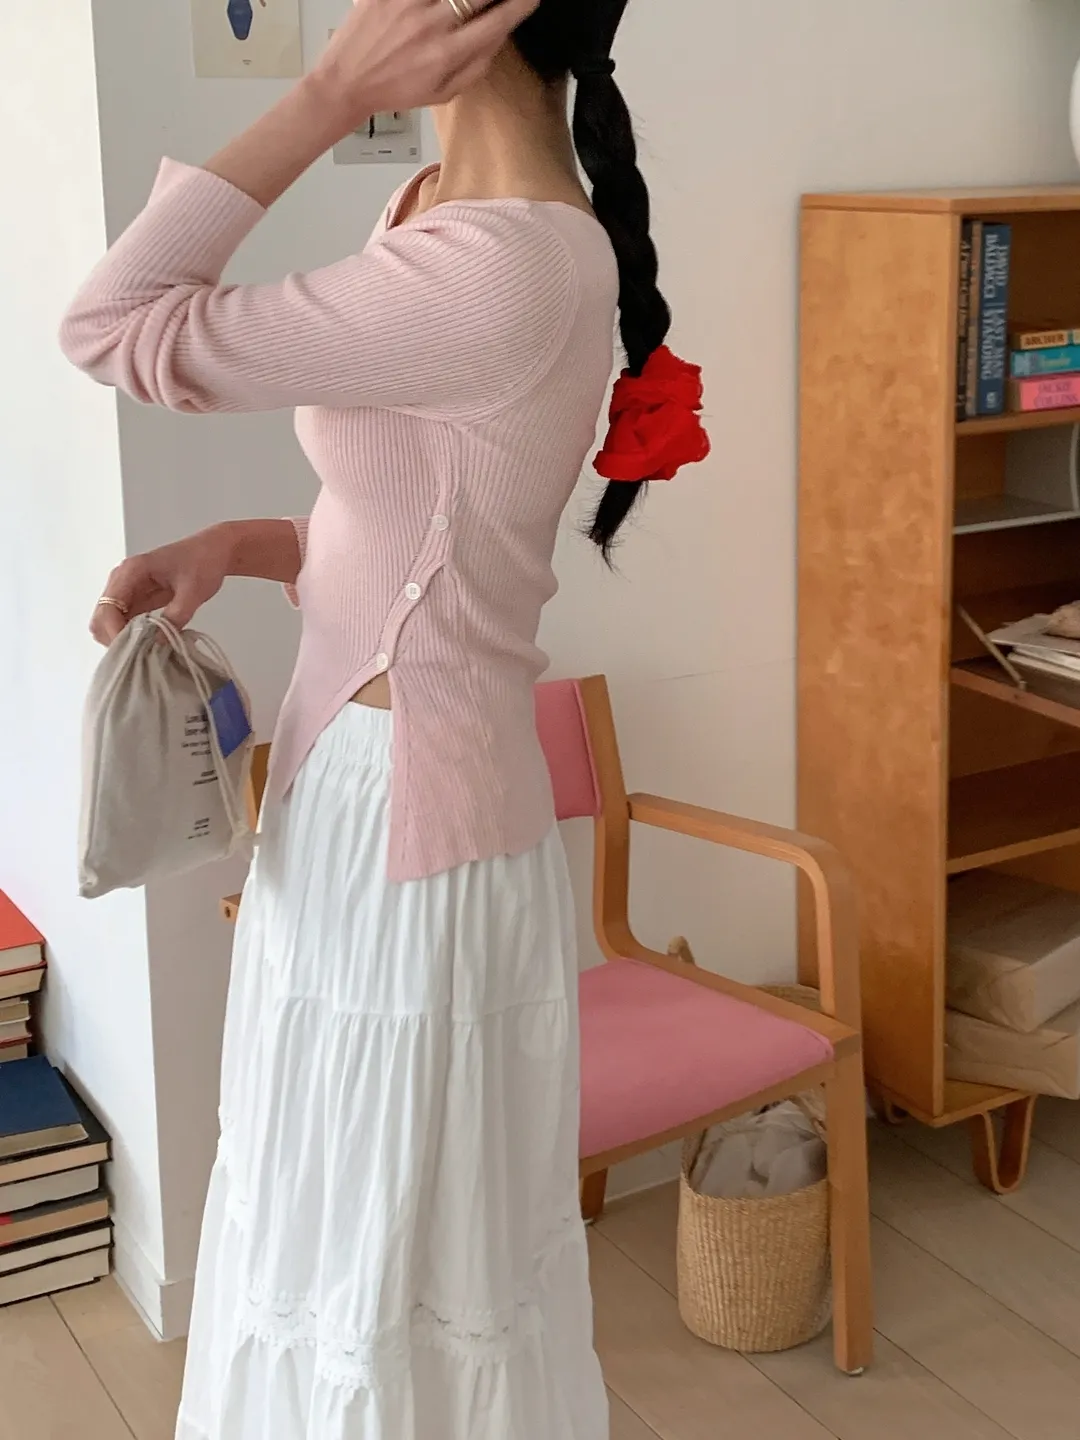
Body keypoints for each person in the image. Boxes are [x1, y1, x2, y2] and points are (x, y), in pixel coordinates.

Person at [60, 2, 709, 1436]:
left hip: (406, 828)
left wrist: (321, 96)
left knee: (370, 1263)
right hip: (371, 799)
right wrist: (245, 544)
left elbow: (111, 326)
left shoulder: (502, 264)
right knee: (337, 1232)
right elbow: (429, 534)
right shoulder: (440, 211)